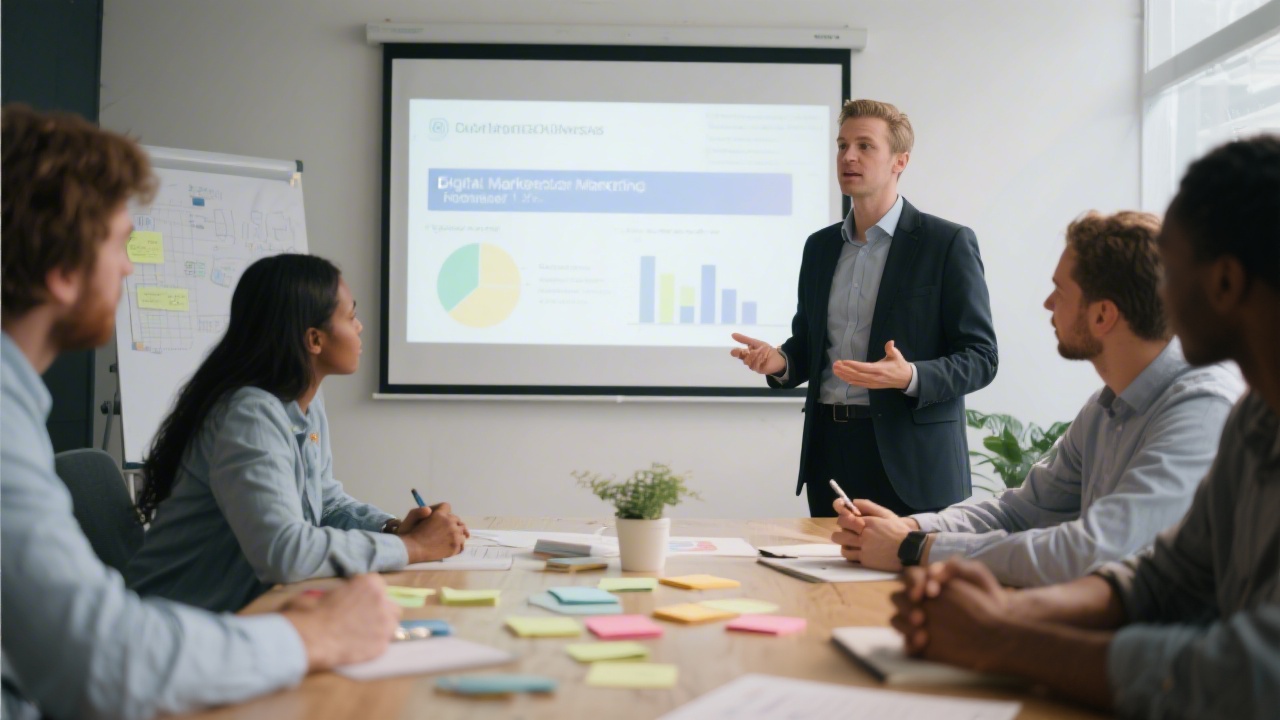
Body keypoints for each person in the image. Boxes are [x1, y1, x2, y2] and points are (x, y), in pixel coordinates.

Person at [1, 103, 402, 720]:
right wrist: (311, 636)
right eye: (119, 244)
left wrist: (392, 536)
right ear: (61, 272)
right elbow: (104, 660)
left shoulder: (19, 407)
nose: (131, 267)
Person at [891, 135, 1280, 718]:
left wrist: (1002, 638)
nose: (1158, 296)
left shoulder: (1211, 404)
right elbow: (1161, 579)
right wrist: (1006, 612)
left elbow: (1248, 675)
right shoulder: (1257, 415)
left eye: (1169, 271)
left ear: (1224, 282)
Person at [830, 211, 1242, 585]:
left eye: (1059, 291)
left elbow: (1094, 549)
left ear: (1102, 316)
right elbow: (1019, 512)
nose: (1047, 303)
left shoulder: (1203, 408)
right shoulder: (1105, 407)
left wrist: (915, 549)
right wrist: (913, 528)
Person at [126, 253, 469, 612]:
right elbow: (284, 552)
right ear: (314, 340)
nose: (360, 326)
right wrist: (414, 549)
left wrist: (391, 530)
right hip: (174, 626)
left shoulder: (303, 402)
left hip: (241, 615)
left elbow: (325, 501)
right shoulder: (250, 415)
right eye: (350, 316)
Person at [731, 99, 998, 517]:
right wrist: (780, 362)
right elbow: (809, 346)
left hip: (912, 460)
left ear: (900, 161)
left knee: (905, 583)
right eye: (841, 145)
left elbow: (982, 358)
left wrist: (909, 375)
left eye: (864, 146)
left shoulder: (945, 244)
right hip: (830, 454)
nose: (848, 156)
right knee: (823, 578)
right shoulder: (820, 248)